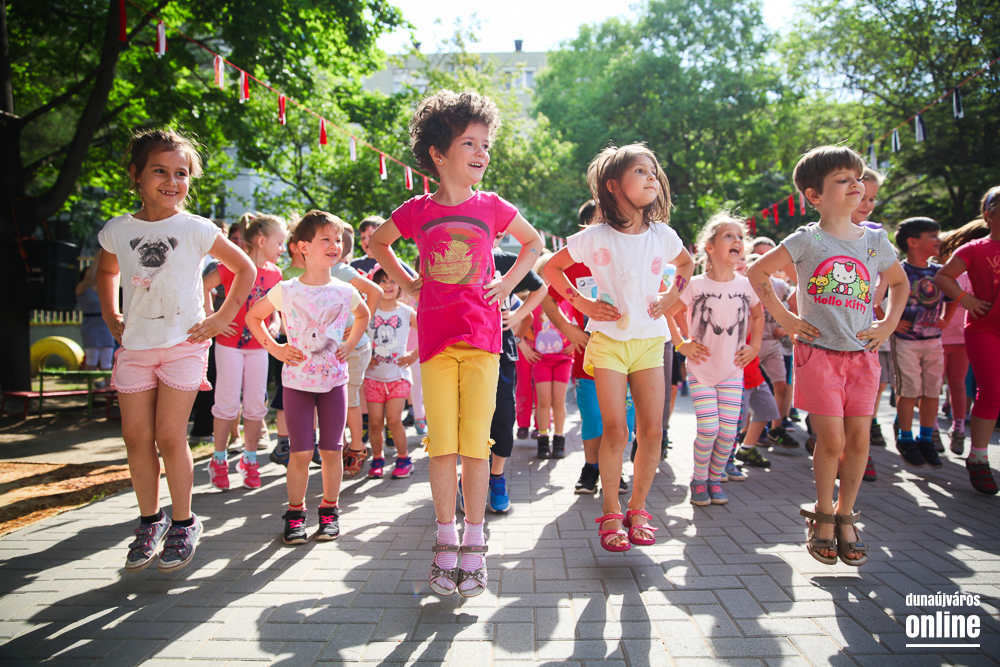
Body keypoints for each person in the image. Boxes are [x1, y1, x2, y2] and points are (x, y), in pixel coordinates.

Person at [369, 89, 543, 597]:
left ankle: (474, 538)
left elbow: (533, 244)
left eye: (485, 144)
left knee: (475, 444)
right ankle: (445, 538)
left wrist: (508, 284)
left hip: (485, 339)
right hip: (436, 341)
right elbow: (377, 242)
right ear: (438, 154)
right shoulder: (417, 210)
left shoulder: (492, 206)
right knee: (442, 443)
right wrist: (408, 282)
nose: (481, 152)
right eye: (469, 142)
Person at [96, 129, 256, 573]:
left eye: (181, 173)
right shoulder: (118, 230)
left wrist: (222, 317)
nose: (172, 181)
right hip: (135, 347)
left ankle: (184, 522)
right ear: (136, 175)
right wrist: (110, 314)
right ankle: (151, 520)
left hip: (184, 346)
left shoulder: (196, 228)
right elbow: (106, 271)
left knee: (170, 435)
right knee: (135, 437)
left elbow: (244, 268)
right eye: (160, 171)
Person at [748, 145, 908, 567]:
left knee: (859, 440)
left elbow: (900, 283)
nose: (855, 185)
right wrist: (786, 316)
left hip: (863, 356)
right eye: (843, 179)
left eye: (857, 178)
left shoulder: (875, 240)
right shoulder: (807, 239)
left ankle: (846, 515)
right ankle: (822, 512)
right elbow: (756, 271)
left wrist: (888, 324)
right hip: (818, 354)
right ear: (814, 195)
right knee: (831, 440)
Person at [545, 143, 694, 552]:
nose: (652, 177)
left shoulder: (663, 235)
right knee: (615, 430)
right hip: (608, 342)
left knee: (652, 430)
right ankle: (611, 510)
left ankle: (638, 509)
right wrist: (582, 303)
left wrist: (671, 296)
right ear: (613, 185)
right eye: (640, 171)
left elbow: (686, 265)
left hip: (651, 342)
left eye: (653, 170)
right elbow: (550, 268)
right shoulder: (595, 236)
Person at [246, 210, 371, 543]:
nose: (335, 245)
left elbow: (363, 315)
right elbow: (253, 317)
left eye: (337, 239)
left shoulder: (344, 290)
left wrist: (349, 344)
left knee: (331, 450)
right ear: (303, 247)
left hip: (334, 383)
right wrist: (276, 349)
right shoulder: (286, 290)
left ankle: (330, 510)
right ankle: (295, 513)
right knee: (300, 453)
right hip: (296, 384)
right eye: (325, 239)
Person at [669, 214, 763, 506]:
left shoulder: (746, 285)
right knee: (709, 429)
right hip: (701, 370)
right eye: (728, 236)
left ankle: (715, 479)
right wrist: (681, 344)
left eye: (740, 237)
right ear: (709, 247)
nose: (737, 241)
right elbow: (668, 312)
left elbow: (758, 316)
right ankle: (699, 480)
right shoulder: (694, 285)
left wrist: (755, 347)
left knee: (729, 432)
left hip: (733, 370)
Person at [546, 202, 635, 495]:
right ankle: (591, 467)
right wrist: (569, 329)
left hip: (627, 356)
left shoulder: (629, 256)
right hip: (589, 359)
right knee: (594, 419)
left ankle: (615, 469)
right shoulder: (573, 265)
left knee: (621, 422)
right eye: (601, 222)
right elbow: (547, 298)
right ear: (585, 231)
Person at [202, 214, 286, 490]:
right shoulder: (233, 265)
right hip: (229, 345)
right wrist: (213, 318)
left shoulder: (275, 273)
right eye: (279, 243)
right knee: (226, 402)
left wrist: (274, 322)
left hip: (259, 346)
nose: (282, 249)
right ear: (261, 241)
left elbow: (274, 308)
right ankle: (218, 460)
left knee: (255, 405)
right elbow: (204, 285)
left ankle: (249, 460)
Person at [935, 185, 1000, 495]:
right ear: (989, 215)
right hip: (984, 330)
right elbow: (942, 277)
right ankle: (978, 458)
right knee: (991, 393)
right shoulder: (974, 249)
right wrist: (966, 299)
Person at [487, 234, 547, 512]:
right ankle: (468, 479)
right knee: (469, 421)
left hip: (501, 354)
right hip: (463, 351)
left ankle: (497, 478)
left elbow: (540, 289)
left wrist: (517, 316)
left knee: (502, 417)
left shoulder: (506, 260)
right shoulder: (457, 258)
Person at [891, 217, 948, 470]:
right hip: (906, 342)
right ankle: (905, 438)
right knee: (909, 390)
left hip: (933, 341)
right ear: (913, 242)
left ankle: (926, 439)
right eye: (932, 236)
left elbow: (952, 298)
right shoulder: (898, 271)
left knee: (932, 391)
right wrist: (891, 322)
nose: (938, 240)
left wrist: (947, 319)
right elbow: (876, 298)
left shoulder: (939, 272)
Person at [334, 224, 383, 478]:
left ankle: (357, 447)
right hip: (331, 349)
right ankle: (338, 446)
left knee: (350, 398)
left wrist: (359, 325)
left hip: (354, 347)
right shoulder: (314, 271)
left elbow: (375, 291)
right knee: (334, 399)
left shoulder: (342, 270)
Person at [936, 221, 989, 455]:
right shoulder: (943, 273)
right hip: (936, 339)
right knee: (933, 387)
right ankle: (931, 429)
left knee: (958, 385)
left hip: (961, 339)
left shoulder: (978, 273)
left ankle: (958, 429)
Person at [852, 168, 893, 453]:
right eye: (862, 197)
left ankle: (869, 426)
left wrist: (881, 287)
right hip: (837, 320)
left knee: (871, 381)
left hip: (866, 320)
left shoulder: (876, 233)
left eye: (872, 199)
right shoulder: (820, 232)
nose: (867, 204)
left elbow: (892, 270)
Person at [364, 267, 417, 479]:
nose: (388, 285)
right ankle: (377, 459)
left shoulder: (405, 312)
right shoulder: (368, 310)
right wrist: (364, 356)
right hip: (373, 377)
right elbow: (353, 335)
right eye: (383, 281)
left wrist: (414, 356)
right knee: (375, 422)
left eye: (393, 281)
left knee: (394, 420)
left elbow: (429, 330)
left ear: (400, 287)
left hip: (399, 377)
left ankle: (404, 460)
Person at [519, 255, 573, 460]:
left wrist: (575, 344)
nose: (550, 279)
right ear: (538, 276)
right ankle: (543, 438)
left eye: (555, 274)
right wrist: (523, 346)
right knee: (543, 400)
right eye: (545, 274)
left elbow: (581, 324)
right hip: (540, 359)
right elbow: (518, 324)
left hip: (563, 359)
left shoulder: (569, 299)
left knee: (558, 400)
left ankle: (559, 439)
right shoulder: (532, 300)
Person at [267, 229, 307, 466]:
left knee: (311, 395)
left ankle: (310, 442)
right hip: (291, 344)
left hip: (313, 347)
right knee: (284, 395)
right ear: (297, 247)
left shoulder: (319, 273)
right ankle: (282, 444)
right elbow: (276, 307)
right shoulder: (284, 275)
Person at [76, 249, 116, 376]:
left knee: (107, 362)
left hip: (105, 327)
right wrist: (97, 258)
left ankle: (108, 386)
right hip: (90, 328)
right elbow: (88, 278)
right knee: (91, 360)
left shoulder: (102, 288)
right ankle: (90, 386)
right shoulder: (82, 289)